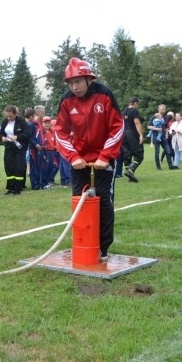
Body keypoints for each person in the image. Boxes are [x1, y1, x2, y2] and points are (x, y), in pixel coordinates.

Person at [54, 58, 124, 260]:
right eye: (70, 83)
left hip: (103, 159)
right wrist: (73, 156)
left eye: (78, 82)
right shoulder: (67, 100)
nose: (74, 87)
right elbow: (60, 132)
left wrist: (105, 156)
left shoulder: (104, 94)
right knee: (80, 201)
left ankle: (102, 247)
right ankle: (82, 243)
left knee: (103, 202)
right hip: (80, 161)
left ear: (88, 79)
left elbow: (117, 127)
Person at [0, 105, 29, 195]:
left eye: (10, 116)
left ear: (15, 114)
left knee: (19, 167)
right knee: (9, 166)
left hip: (19, 147)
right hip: (9, 146)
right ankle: (10, 187)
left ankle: (18, 187)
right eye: (7, 116)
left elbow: (27, 134)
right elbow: (1, 133)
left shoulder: (22, 122)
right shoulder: (5, 122)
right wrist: (2, 137)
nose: (9, 118)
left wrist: (17, 136)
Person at [122, 96, 144, 182]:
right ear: (134, 103)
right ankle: (130, 171)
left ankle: (130, 176)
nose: (138, 105)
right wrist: (141, 135)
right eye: (138, 103)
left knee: (127, 155)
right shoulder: (134, 111)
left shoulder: (123, 112)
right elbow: (137, 123)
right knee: (139, 154)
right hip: (132, 134)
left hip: (123, 134)